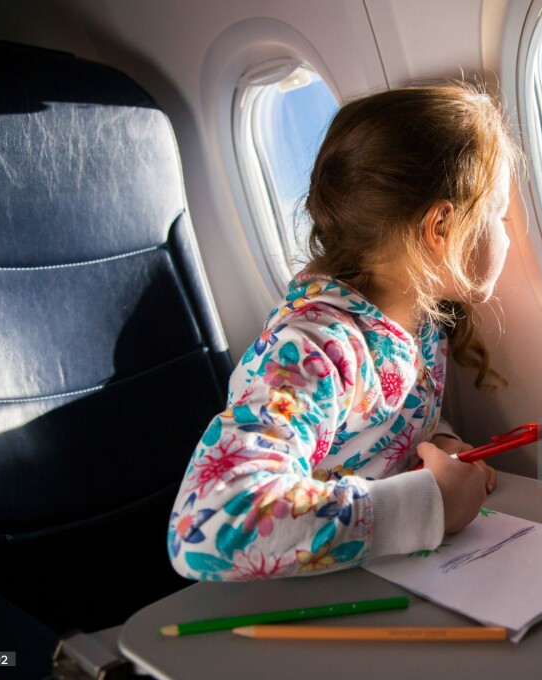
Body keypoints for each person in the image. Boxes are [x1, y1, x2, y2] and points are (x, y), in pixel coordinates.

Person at [168, 83, 520, 581]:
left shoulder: (417, 326)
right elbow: (208, 526)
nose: (508, 233)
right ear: (441, 226)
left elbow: (375, 435)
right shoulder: (315, 350)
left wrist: (438, 443)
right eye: (500, 215)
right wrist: (429, 505)